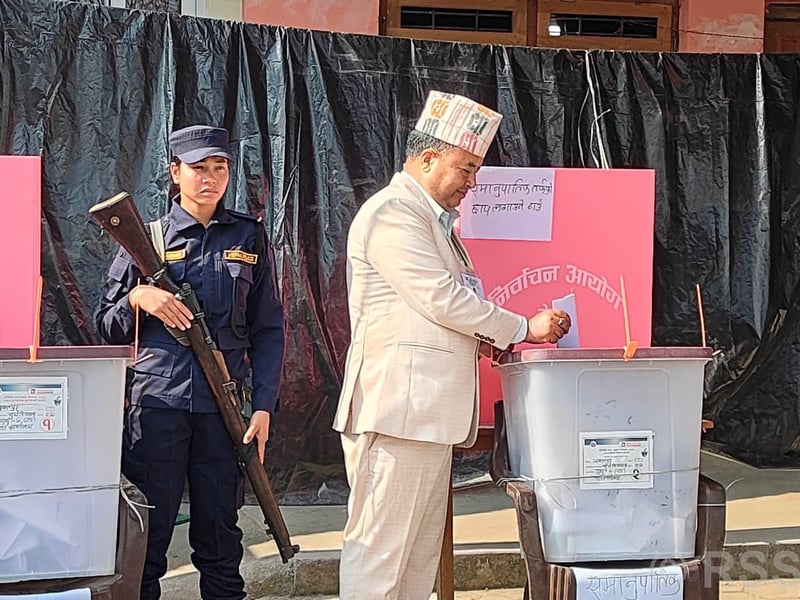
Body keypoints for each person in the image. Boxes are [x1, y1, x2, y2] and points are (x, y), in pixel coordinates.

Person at [332, 91, 572, 600]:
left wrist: (495, 340)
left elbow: (445, 309)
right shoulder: (393, 213)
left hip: (424, 415)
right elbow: (440, 298)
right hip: (398, 411)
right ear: (426, 158)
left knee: (416, 560)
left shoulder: (434, 223)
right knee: (381, 555)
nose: (472, 182)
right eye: (465, 168)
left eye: (475, 170)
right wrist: (521, 327)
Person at [95, 125, 285, 600]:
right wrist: (140, 297)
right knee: (147, 540)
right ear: (175, 172)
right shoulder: (147, 239)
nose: (211, 177)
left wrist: (262, 406)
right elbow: (105, 325)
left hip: (225, 412)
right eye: (199, 167)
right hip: (157, 407)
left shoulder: (249, 235)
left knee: (221, 537)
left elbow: (268, 330)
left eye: (220, 167)